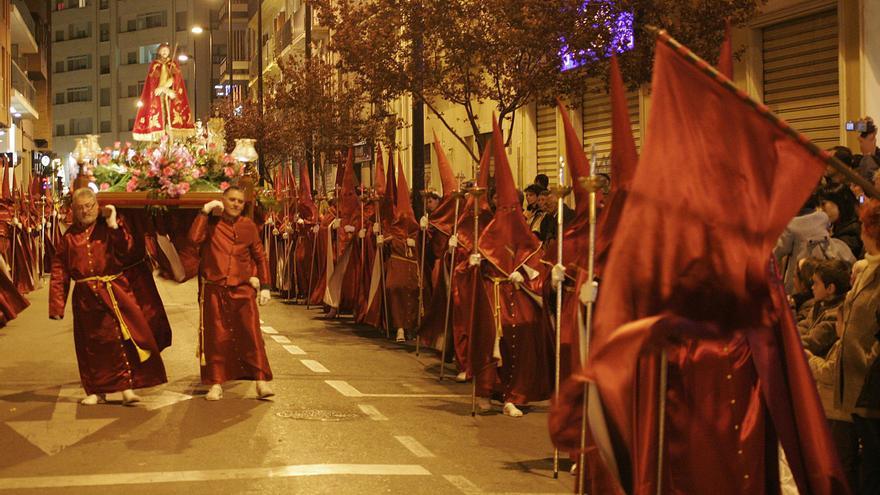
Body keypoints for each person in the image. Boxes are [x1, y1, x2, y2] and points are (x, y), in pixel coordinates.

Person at [50, 188, 167, 405]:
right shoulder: (68, 238)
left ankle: (127, 388)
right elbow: (59, 270)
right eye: (80, 208)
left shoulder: (109, 229)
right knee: (91, 345)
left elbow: (127, 249)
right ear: (73, 210)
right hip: (85, 298)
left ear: (97, 205)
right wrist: (57, 305)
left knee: (124, 339)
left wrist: (114, 225)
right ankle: (96, 390)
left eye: (90, 206)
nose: (86, 211)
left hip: (115, 290)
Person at [189, 186, 274, 401]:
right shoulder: (209, 223)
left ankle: (261, 381)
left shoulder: (249, 226)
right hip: (215, 290)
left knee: (252, 335)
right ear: (222, 200)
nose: (236, 204)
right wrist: (204, 211)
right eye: (232, 200)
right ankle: (215, 383)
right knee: (216, 338)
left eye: (240, 201)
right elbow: (193, 240)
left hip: (243, 289)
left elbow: (260, 256)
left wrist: (265, 286)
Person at [835, 199, 880, 493]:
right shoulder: (865, 268)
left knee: (873, 471)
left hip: (872, 386)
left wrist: (870, 358)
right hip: (855, 382)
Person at [805, 307, 858, 490]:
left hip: (838, 413)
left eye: (839, 321)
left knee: (841, 462)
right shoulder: (840, 344)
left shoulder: (846, 345)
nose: (837, 325)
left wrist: (811, 359)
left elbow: (829, 372)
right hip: (834, 410)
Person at [132, 42, 195, 141]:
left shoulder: (173, 64)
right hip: (158, 94)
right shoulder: (155, 64)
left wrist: (165, 88)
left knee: (170, 117)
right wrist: (160, 88)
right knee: (160, 116)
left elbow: (176, 79)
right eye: (162, 50)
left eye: (166, 50)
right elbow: (152, 80)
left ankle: (170, 141)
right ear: (159, 52)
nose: (165, 52)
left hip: (169, 94)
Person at [800, 259, 850, 356]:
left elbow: (812, 341)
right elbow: (805, 325)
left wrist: (786, 341)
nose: (812, 287)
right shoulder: (820, 303)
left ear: (830, 288)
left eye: (816, 283)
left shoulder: (835, 315)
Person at [819, 183, 863, 258]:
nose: (819, 209)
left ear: (840, 203)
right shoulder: (838, 225)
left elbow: (835, 261)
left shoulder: (851, 235)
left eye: (823, 204)